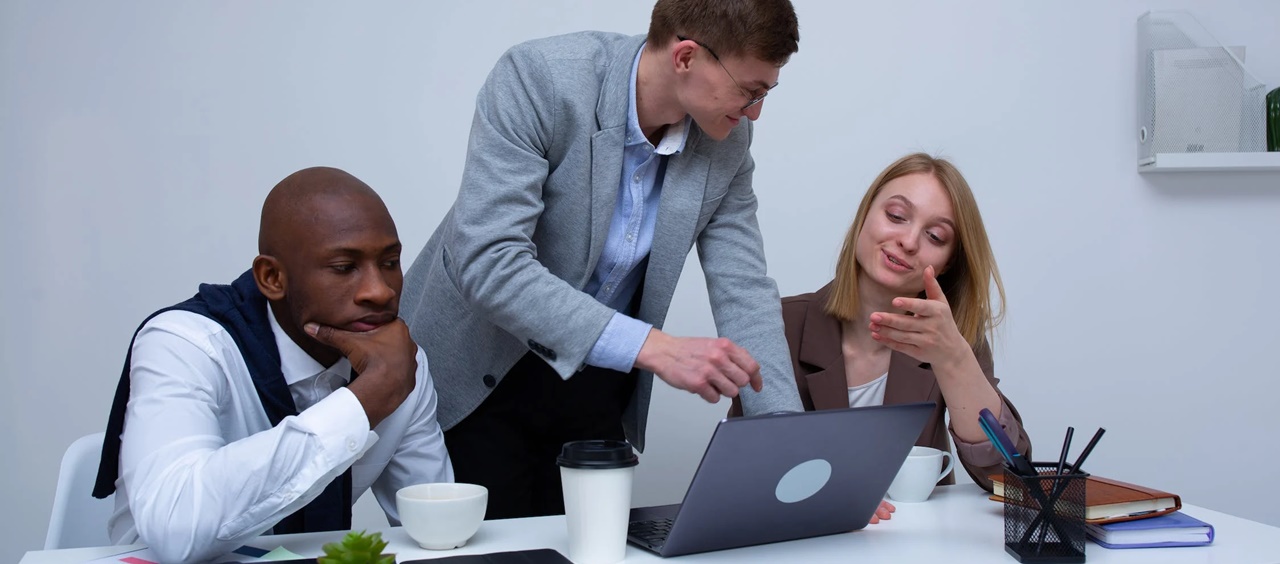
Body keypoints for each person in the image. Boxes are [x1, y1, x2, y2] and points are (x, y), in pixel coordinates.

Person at [399, 0, 805, 519]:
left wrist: (794, 453)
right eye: (750, 91)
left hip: (596, 379)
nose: (755, 112)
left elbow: (744, 288)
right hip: (478, 372)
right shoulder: (540, 79)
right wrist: (655, 347)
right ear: (685, 57)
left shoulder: (727, 141)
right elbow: (491, 261)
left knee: (592, 549)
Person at [92, 167, 453, 563]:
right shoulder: (186, 345)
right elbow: (177, 529)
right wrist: (363, 402)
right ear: (271, 277)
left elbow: (437, 529)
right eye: (344, 267)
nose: (379, 290)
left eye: (389, 262)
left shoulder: (399, 364)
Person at [732, 153, 1032, 497]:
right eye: (896, 216)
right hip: (804, 542)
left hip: (913, 544)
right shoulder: (776, 323)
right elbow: (744, 467)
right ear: (865, 217)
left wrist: (954, 359)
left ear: (950, 263)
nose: (908, 241)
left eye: (935, 236)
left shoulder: (952, 337)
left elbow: (1007, 478)